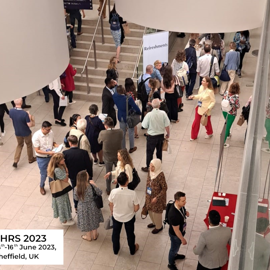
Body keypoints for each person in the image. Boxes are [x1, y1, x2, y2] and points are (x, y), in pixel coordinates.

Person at [108, 172, 140, 255]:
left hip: (116, 217)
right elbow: (136, 208)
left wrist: (112, 211)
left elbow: (111, 204)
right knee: (130, 234)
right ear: (127, 182)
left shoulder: (113, 192)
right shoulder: (132, 193)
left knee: (115, 234)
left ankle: (115, 250)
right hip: (129, 217)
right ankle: (132, 250)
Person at [63, 135, 93, 211]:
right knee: (85, 188)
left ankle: (76, 206)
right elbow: (88, 165)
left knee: (75, 189)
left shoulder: (65, 153)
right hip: (83, 175)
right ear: (77, 142)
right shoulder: (84, 152)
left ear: (69, 143)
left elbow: (64, 165)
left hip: (72, 175)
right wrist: (90, 175)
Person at [141, 99, 170, 172]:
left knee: (149, 153)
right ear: (159, 106)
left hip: (151, 137)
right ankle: (158, 166)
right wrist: (168, 133)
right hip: (160, 136)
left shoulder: (149, 114)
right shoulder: (163, 113)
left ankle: (148, 167)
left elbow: (144, 125)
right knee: (159, 152)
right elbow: (167, 125)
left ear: (152, 106)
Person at [75, 170, 104, 241]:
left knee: (86, 221)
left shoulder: (76, 188)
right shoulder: (91, 186)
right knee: (93, 219)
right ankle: (95, 235)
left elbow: (75, 198)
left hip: (82, 207)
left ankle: (88, 236)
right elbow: (100, 192)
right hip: (92, 205)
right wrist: (95, 185)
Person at [47, 153, 75, 226]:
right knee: (62, 205)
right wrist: (67, 172)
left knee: (64, 203)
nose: (64, 159)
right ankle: (64, 220)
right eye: (62, 159)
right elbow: (65, 179)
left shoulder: (60, 167)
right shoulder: (57, 170)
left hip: (62, 189)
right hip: (60, 191)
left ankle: (67, 217)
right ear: (58, 161)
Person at [98, 117, 123, 195]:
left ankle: (108, 189)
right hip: (117, 156)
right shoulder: (120, 132)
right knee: (119, 172)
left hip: (108, 157)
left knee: (108, 173)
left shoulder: (103, 133)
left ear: (106, 126)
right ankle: (119, 187)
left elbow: (99, 141)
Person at [112, 85, 141, 153]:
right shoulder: (128, 98)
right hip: (128, 117)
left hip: (120, 116)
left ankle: (123, 148)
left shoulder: (114, 96)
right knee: (131, 131)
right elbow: (135, 106)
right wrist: (139, 112)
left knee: (122, 133)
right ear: (123, 90)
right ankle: (131, 147)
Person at [9, 98, 36, 168]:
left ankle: (15, 160)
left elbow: (12, 120)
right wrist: (29, 117)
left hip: (17, 131)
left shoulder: (11, 111)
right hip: (26, 132)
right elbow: (29, 125)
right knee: (29, 144)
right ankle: (30, 159)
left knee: (19, 145)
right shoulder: (24, 113)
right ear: (21, 102)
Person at [32, 121, 57, 195]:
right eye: (48, 129)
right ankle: (41, 186)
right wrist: (48, 152)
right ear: (43, 128)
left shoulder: (51, 132)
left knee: (51, 172)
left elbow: (53, 142)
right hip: (42, 158)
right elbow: (37, 150)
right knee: (44, 174)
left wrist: (56, 145)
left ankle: (51, 185)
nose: (49, 131)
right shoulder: (36, 136)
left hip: (51, 156)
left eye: (50, 129)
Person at [168, 191, 189, 270]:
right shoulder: (173, 215)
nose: (185, 202)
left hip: (180, 231)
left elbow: (183, 210)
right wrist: (182, 239)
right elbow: (176, 231)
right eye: (183, 201)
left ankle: (175, 255)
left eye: (185, 200)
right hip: (175, 236)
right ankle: (171, 263)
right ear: (177, 201)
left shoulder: (180, 206)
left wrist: (185, 213)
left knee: (176, 248)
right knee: (173, 249)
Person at [145, 159, 167, 234]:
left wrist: (157, 198)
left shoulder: (160, 175)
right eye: (150, 166)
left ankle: (159, 226)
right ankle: (154, 223)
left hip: (157, 198)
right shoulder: (150, 171)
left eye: (153, 167)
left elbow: (164, 188)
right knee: (150, 210)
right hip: (149, 195)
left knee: (157, 212)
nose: (151, 168)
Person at [222, 83, 240, 148]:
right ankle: (223, 142)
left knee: (227, 123)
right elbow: (237, 106)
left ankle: (228, 134)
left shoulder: (226, 92)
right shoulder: (236, 96)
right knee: (227, 127)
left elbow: (223, 99)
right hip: (231, 113)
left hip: (224, 111)